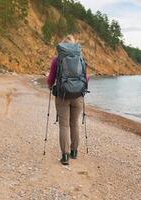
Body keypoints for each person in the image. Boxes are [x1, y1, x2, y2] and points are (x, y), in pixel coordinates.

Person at [48, 35, 89, 165]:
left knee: (64, 126)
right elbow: (86, 78)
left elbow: (51, 79)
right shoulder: (81, 58)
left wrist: (50, 86)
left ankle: (65, 156)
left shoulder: (57, 59)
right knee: (75, 124)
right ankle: (74, 152)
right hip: (78, 96)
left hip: (62, 96)